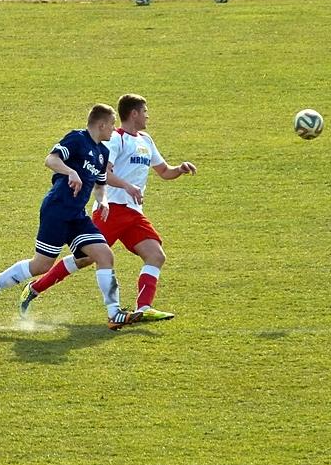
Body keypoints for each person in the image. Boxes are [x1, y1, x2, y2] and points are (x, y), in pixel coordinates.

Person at [18, 94, 197, 321]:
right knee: (84, 259)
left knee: (156, 255)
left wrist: (179, 169)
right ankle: (34, 288)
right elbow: (103, 174)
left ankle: (144, 308)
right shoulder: (116, 140)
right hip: (111, 210)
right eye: (145, 111)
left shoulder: (146, 140)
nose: (147, 116)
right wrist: (128, 186)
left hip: (134, 213)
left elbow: (164, 171)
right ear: (133, 113)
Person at [0, 104, 143, 330]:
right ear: (102, 125)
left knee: (104, 255)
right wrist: (70, 171)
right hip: (57, 209)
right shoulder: (77, 139)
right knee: (41, 265)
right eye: (112, 125)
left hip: (77, 216)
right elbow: (51, 160)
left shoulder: (103, 153)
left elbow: (100, 184)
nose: (114, 129)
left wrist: (103, 200)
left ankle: (114, 314)